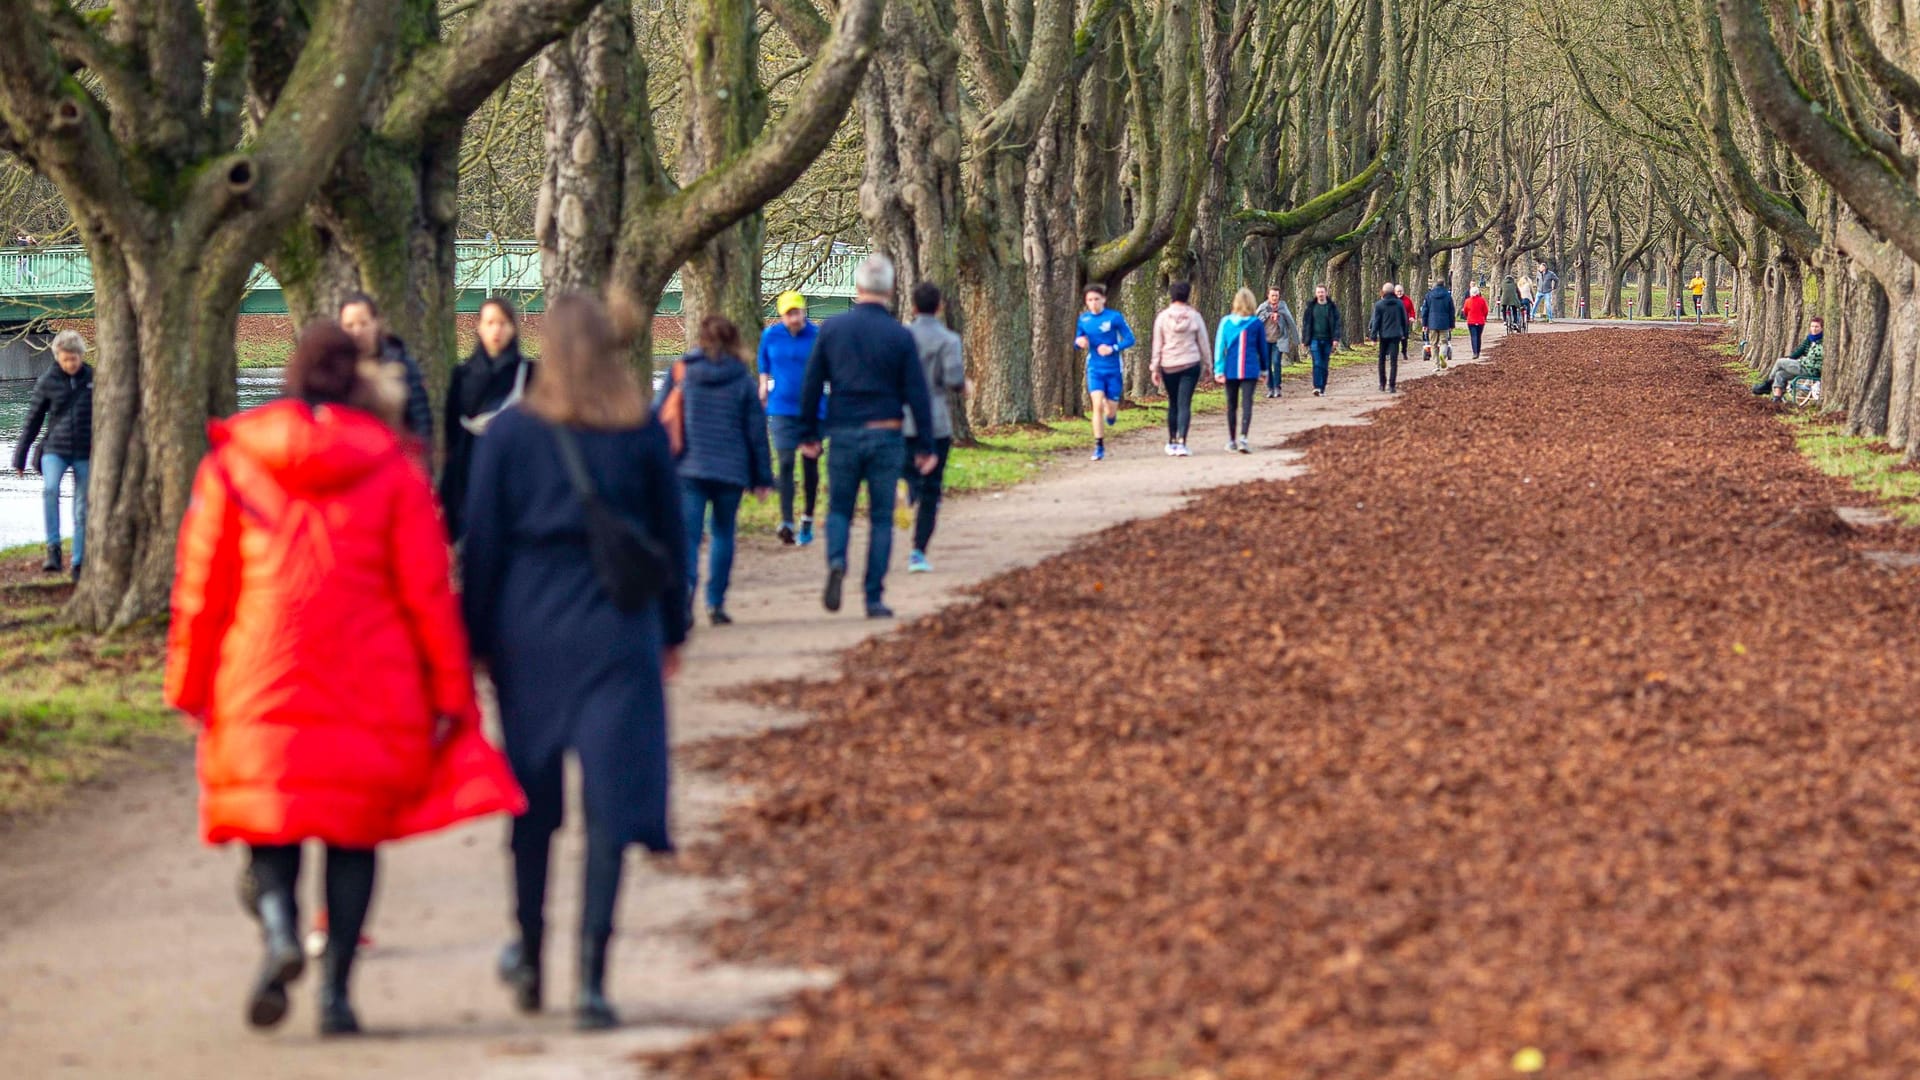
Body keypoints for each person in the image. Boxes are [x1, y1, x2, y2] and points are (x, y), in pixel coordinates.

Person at [165, 322, 523, 1037]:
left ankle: (278, 932)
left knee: (272, 819)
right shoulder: (393, 469)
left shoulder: (235, 465)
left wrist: (189, 685)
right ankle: (335, 996)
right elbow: (425, 593)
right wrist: (450, 695)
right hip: (370, 676)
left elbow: (201, 589)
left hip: (260, 670)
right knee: (352, 836)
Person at [461, 293, 689, 1031]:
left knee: (532, 804)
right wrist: (673, 632)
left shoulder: (511, 436)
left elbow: (484, 547)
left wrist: (477, 643)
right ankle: (592, 977)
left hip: (531, 633)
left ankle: (529, 951)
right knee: (609, 807)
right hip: (618, 633)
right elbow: (671, 544)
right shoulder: (639, 434)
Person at [799, 253, 936, 619]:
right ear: (891, 290)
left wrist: (808, 433)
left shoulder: (831, 330)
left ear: (858, 288)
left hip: (843, 432)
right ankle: (873, 597)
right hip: (886, 434)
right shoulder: (900, 336)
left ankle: (837, 559)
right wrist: (924, 444)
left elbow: (812, 385)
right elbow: (917, 394)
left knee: (840, 508)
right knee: (880, 517)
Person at [673, 315, 773, 625]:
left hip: (690, 468)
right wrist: (762, 478)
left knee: (688, 537)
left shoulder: (683, 374)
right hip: (731, 470)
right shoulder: (742, 380)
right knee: (722, 533)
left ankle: (685, 596)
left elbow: (659, 417)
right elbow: (756, 433)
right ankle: (715, 603)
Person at [441, 297, 531, 541]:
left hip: (515, 472)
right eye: (490, 323)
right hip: (470, 471)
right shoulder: (462, 376)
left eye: (503, 323)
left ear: (513, 327)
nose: (496, 330)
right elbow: (452, 436)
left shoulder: (529, 374)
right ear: (479, 327)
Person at [12, 330, 92, 578]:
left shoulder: (93, 379)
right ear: (58, 357)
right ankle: (53, 550)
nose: (70, 364)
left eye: (74, 359)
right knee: (50, 490)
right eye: (66, 359)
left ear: (81, 356)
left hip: (85, 451)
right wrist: (20, 457)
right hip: (54, 450)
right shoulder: (48, 381)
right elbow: (33, 420)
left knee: (81, 507)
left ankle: (79, 561)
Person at [903, 282, 967, 572]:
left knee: (908, 473)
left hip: (903, 420)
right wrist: (965, 386)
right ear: (940, 307)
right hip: (936, 420)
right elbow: (954, 379)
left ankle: (908, 491)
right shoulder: (949, 340)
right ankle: (918, 551)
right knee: (933, 488)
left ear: (913, 307)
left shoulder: (901, 337)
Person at [757, 291, 824, 546]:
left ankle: (807, 516)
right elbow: (763, 361)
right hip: (781, 407)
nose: (795, 318)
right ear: (782, 315)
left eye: (798, 312)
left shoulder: (816, 336)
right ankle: (786, 520)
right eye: (789, 314)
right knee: (785, 461)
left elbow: (827, 366)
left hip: (812, 409)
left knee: (810, 464)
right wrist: (763, 384)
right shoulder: (770, 336)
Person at [337, 293, 433, 450]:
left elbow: (420, 422)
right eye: (349, 325)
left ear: (376, 323)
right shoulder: (336, 371)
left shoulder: (402, 365)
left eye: (363, 323)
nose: (357, 332)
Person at [1074, 283, 1137, 461]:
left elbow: (1130, 339)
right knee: (1097, 406)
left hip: (1113, 368)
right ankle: (1099, 446)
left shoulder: (1114, 317)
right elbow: (1078, 340)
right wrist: (1079, 343)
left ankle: (1112, 415)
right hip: (1094, 368)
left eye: (1096, 299)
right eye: (1089, 300)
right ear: (1086, 302)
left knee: (1109, 409)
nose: (1093, 303)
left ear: (1104, 299)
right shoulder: (1083, 320)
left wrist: (1113, 348)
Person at [1151, 280, 1210, 457]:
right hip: (1190, 363)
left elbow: (1157, 343)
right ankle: (1182, 441)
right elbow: (1203, 342)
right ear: (1187, 295)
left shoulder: (1162, 317)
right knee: (1185, 403)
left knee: (1173, 403)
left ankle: (1171, 441)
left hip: (1169, 365)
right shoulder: (1194, 316)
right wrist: (1208, 365)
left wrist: (1155, 367)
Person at [1214, 288, 1271, 453]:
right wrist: (1264, 370)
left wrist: (1218, 369)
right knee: (1247, 403)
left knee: (1231, 405)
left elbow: (1219, 347)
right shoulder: (1256, 323)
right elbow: (1262, 349)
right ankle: (1243, 438)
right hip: (1250, 368)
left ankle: (1231, 440)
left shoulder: (1226, 322)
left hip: (1230, 369)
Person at [1752, 317, 1824, 404]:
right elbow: (1800, 350)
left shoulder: (1822, 342)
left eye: (1817, 327)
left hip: (1809, 369)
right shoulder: (1810, 338)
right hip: (1804, 365)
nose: (1814, 329)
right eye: (1812, 326)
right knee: (1780, 374)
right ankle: (1777, 398)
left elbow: (1814, 360)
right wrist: (1790, 358)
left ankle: (1767, 384)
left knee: (1780, 362)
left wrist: (1792, 360)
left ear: (1822, 328)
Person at [1254, 286, 1300, 399]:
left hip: (1279, 340)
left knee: (1276, 362)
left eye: (1277, 296)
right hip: (1265, 340)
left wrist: (1296, 339)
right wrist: (1268, 315)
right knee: (1266, 364)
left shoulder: (1283, 307)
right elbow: (1255, 322)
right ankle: (1270, 388)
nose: (1275, 298)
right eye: (1272, 295)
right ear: (1268, 296)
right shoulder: (1263, 307)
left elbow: (1291, 322)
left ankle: (1277, 387)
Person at [1302, 284, 1342, 396]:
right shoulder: (1311, 307)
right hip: (1314, 339)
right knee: (1317, 362)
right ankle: (1317, 386)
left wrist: (1336, 338)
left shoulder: (1332, 307)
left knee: (1324, 364)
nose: (1320, 294)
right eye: (1318, 292)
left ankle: (1322, 387)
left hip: (1328, 340)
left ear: (1326, 293)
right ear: (1316, 293)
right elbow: (1306, 324)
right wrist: (1305, 340)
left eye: (1322, 292)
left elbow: (1337, 324)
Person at [1369, 283, 1410, 393]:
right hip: (1396, 335)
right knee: (1393, 361)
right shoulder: (1399, 304)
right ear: (1393, 292)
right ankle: (1392, 385)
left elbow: (1376, 322)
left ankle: (1382, 383)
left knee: (1381, 360)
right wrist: (1404, 334)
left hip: (1384, 335)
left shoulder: (1379, 305)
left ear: (1383, 292)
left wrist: (1373, 337)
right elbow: (1404, 320)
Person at [1420, 278, 1456, 367]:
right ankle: (1442, 355)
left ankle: (1436, 365)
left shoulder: (1429, 295)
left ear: (1435, 284)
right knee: (1444, 342)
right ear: (1444, 284)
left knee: (1433, 344)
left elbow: (1425, 310)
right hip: (1444, 322)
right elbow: (1451, 311)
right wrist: (1452, 324)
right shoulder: (1448, 296)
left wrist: (1424, 324)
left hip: (1432, 323)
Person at [1462, 283, 1490, 359]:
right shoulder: (1482, 300)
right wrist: (1484, 317)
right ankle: (1478, 351)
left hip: (1471, 321)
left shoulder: (1468, 301)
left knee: (1473, 336)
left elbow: (1465, 311)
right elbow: (1486, 310)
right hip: (1480, 321)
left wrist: (1467, 316)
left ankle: (1475, 352)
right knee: (1478, 336)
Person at [1394, 284, 1416, 365]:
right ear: (1394, 292)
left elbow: (1412, 310)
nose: (1399, 293)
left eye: (1401, 291)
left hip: (1404, 322)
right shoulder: (1392, 300)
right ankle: (1393, 353)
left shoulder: (1407, 300)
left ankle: (1404, 352)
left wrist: (1412, 317)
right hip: (1394, 323)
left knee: (1404, 339)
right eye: (1397, 292)